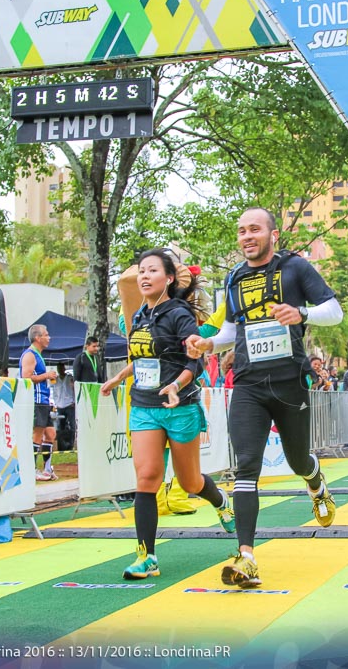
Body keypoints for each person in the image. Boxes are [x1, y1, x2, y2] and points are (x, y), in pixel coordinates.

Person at [185, 207, 344, 589]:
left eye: (254, 229)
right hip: (248, 385)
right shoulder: (234, 277)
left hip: (289, 382)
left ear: (273, 234)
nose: (246, 237)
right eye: (241, 231)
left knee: (296, 458)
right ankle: (247, 556)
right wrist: (208, 343)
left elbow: (334, 312)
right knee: (246, 468)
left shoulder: (295, 268)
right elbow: (229, 330)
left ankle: (315, 479)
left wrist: (301, 312)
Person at [101, 248, 235, 580]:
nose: (144, 277)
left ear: (169, 279)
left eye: (152, 271)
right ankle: (147, 556)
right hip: (145, 406)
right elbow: (146, 358)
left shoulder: (179, 315)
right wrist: (119, 377)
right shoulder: (140, 317)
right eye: (141, 272)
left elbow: (194, 361)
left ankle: (220, 501)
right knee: (146, 478)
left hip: (180, 406)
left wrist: (176, 385)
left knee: (190, 481)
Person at [21, 324, 59, 481]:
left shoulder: (38, 354)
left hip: (44, 399)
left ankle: (47, 468)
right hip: (36, 400)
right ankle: (31, 469)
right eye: (46, 334)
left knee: (50, 434)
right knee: (37, 434)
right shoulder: (30, 355)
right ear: (38, 338)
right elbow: (26, 377)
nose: (49, 338)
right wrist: (46, 375)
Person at [51, 362, 76, 452]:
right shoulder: (55, 380)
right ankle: (62, 446)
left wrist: (74, 401)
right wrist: (55, 403)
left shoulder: (70, 378)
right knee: (60, 427)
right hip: (60, 406)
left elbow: (74, 389)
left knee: (72, 426)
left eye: (61, 368)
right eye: (58, 368)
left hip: (69, 404)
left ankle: (72, 445)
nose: (60, 370)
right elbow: (54, 392)